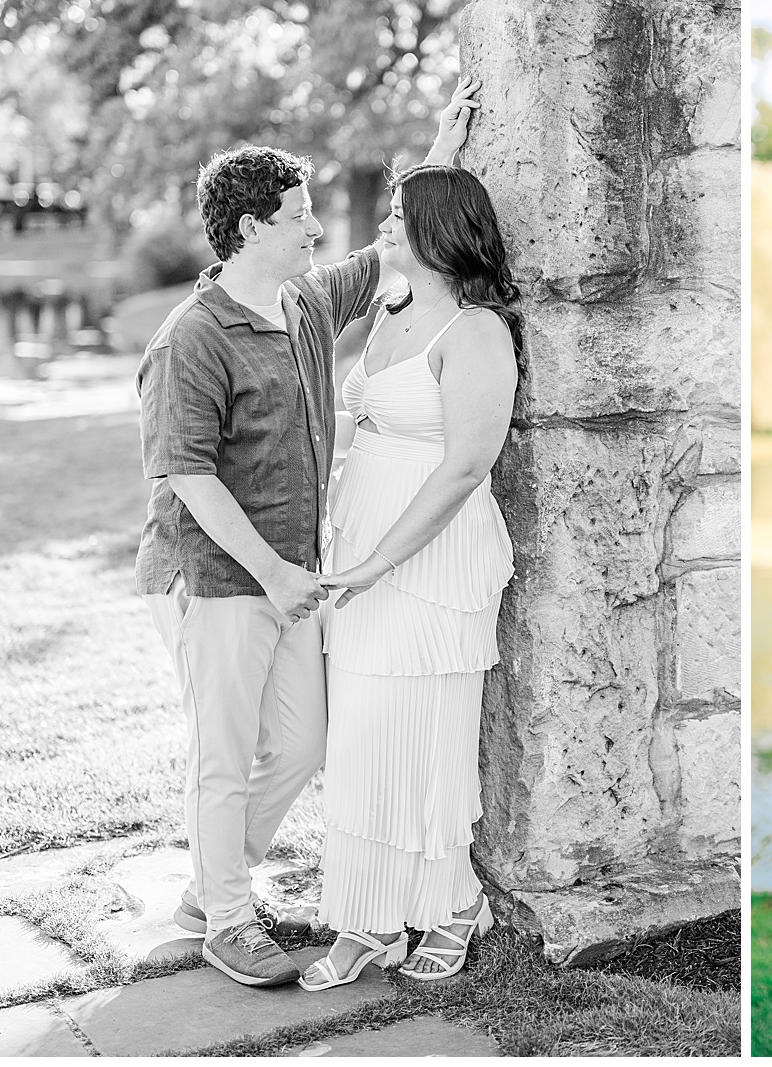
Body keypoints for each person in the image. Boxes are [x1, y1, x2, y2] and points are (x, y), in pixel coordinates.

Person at [136, 79, 478, 987]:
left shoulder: (305, 305)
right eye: (298, 216)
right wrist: (272, 573)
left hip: (293, 574)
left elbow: (391, 248)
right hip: (216, 579)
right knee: (224, 749)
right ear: (250, 229)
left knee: (300, 745)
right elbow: (185, 475)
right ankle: (229, 920)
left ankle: (214, 884)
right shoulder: (192, 338)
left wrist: (442, 150)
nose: (316, 229)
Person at [296, 127, 524, 988]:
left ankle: (452, 903)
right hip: (357, 548)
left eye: (400, 214)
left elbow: (466, 466)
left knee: (427, 737)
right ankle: (364, 920)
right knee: (355, 739)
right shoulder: (390, 308)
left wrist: (376, 564)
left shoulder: (477, 334)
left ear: (439, 229)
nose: (385, 224)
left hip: (429, 564)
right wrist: (444, 138)